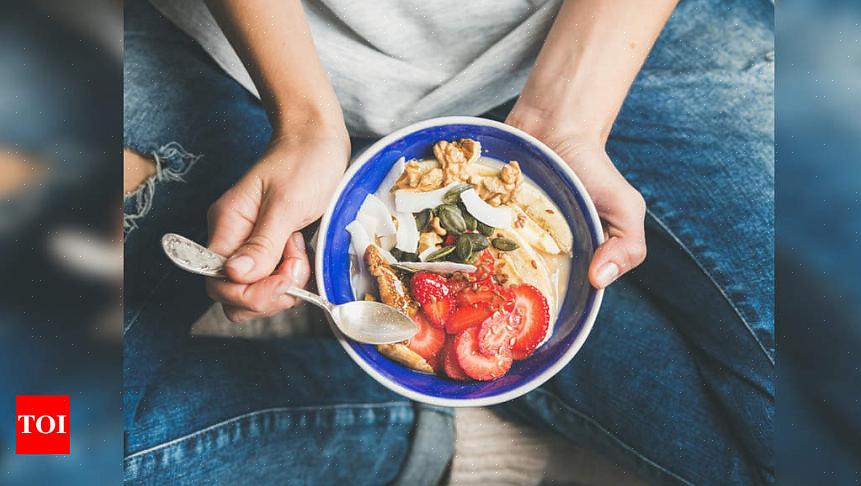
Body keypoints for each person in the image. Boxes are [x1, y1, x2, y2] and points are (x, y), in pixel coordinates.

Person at [123, 0, 773, 483]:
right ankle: (402, 424)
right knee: (42, 432)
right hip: (241, 51)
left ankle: (550, 366)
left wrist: (567, 113)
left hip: (600, 40)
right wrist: (304, 119)